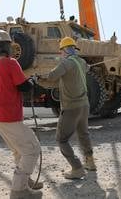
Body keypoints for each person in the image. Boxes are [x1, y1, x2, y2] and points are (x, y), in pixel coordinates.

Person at [0, 30, 43, 199]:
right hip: (7, 115)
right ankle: (19, 190)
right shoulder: (10, 63)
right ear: (8, 46)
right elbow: (23, 87)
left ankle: (25, 181)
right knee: (32, 149)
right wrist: (32, 81)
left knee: (19, 150)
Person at [44, 36, 96, 180]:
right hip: (84, 105)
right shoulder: (82, 62)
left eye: (61, 51)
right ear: (74, 49)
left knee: (62, 139)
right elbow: (86, 68)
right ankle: (90, 163)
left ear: (64, 50)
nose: (61, 53)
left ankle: (77, 168)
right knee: (83, 133)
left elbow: (52, 76)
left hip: (71, 107)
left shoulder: (66, 63)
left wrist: (38, 77)